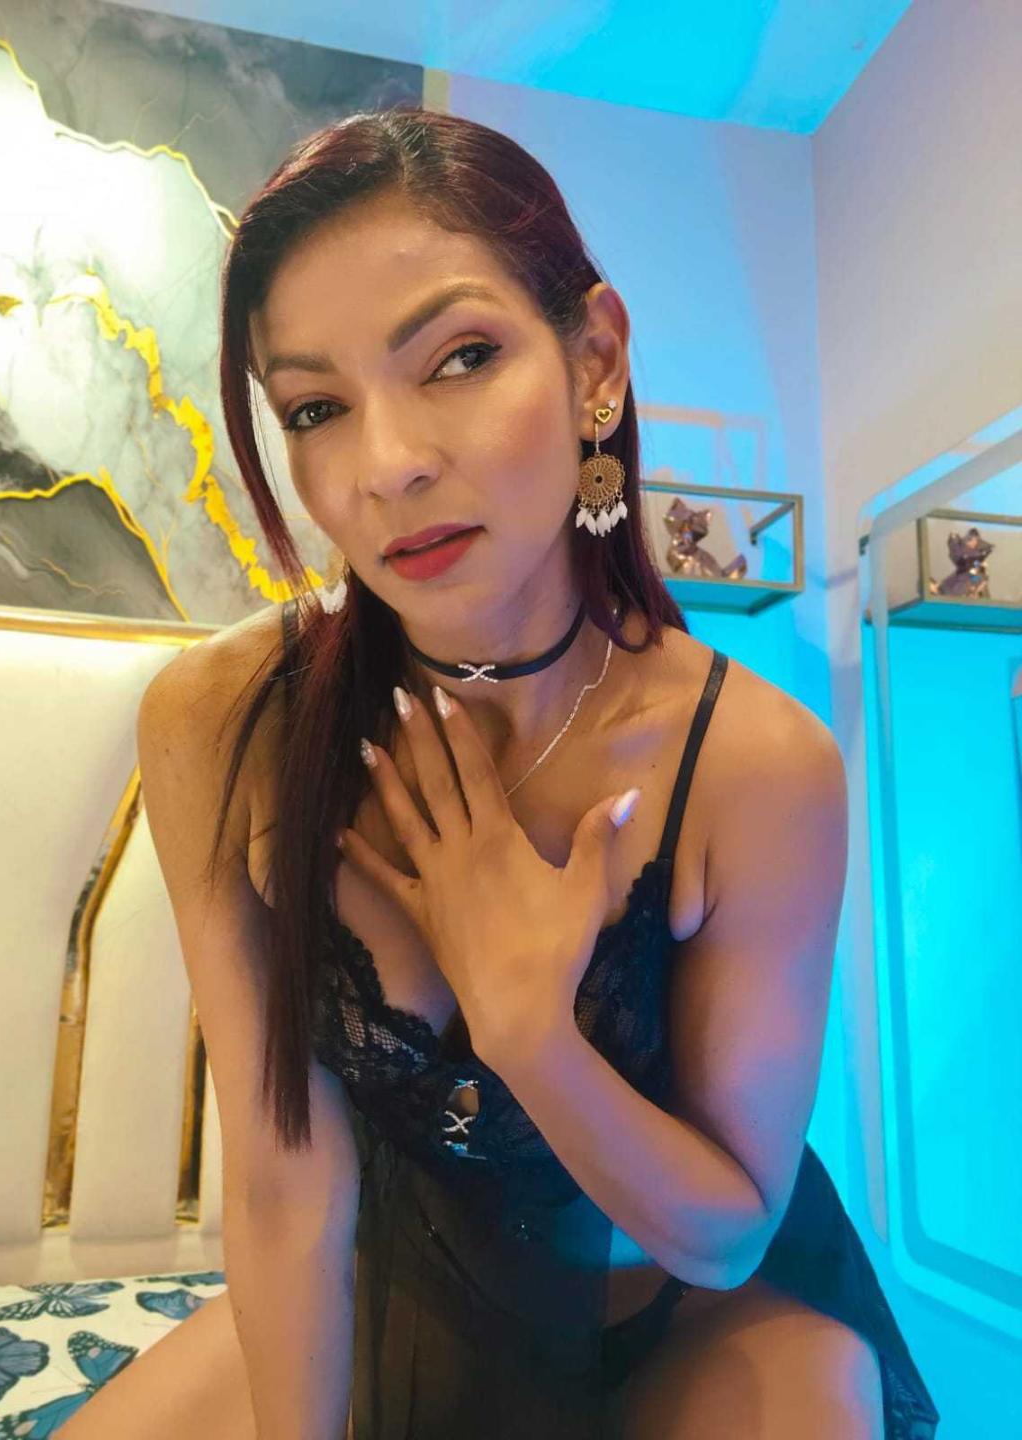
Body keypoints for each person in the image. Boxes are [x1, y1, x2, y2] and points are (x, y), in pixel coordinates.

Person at [58, 107, 939, 1439]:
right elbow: (287, 1181)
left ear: (596, 364)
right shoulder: (226, 722)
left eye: (460, 357)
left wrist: (527, 1021)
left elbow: (727, 1233)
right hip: (404, 1291)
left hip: (695, 1318)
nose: (389, 465)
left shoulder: (754, 763)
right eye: (316, 407)